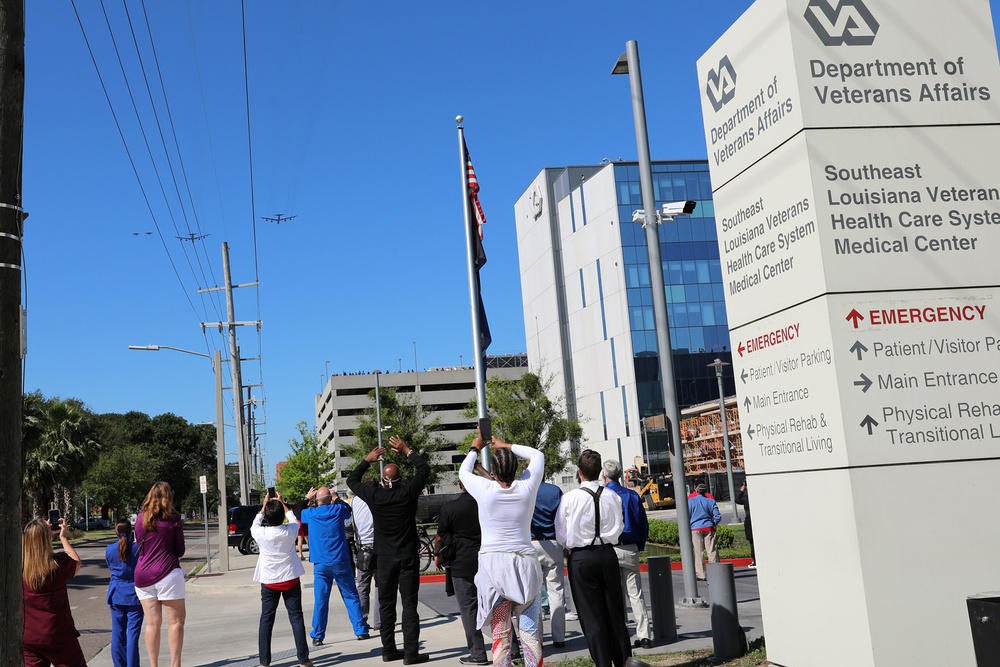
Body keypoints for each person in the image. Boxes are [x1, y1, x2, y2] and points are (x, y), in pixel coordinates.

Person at [459, 432, 545, 667]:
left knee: (501, 634)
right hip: (526, 567)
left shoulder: (484, 489)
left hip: (493, 570)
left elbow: (463, 472)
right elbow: (537, 454)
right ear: (518, 469)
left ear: (493, 473)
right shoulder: (527, 487)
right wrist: (505, 444)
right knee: (529, 632)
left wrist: (475, 447)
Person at [347, 435, 430, 664]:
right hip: (407, 556)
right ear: (401, 480)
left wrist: (367, 460)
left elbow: (352, 481)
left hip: (383, 558)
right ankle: (411, 654)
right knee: (409, 605)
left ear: (383, 481)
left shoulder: (375, 496)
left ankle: (388, 650)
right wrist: (406, 450)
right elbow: (423, 469)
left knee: (386, 605)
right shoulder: (408, 493)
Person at [555, 450, 631, 667]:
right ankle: (624, 660)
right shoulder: (613, 496)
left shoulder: (569, 498)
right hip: (607, 554)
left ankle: (603, 663)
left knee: (591, 617)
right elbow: (620, 526)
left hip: (581, 557)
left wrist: (568, 546)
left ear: (579, 472)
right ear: (599, 472)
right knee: (615, 613)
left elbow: (560, 532)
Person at [301, 485, 368, 645]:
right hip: (340, 561)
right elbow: (348, 509)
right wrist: (335, 497)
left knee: (321, 600)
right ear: (330, 499)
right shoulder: (337, 510)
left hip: (321, 563)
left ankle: (318, 635)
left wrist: (307, 498)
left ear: (316, 501)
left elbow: (298, 511)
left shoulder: (311, 513)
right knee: (351, 595)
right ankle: (360, 630)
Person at [252, 490, 311, 667]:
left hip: (269, 581)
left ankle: (264, 662)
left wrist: (264, 507)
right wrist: (282, 504)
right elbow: (293, 519)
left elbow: (255, 522)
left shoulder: (260, 533)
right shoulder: (290, 531)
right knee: (296, 618)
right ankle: (303, 659)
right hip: (290, 579)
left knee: (266, 620)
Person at [434, 481, 488, 666]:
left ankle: (478, 652)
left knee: (468, 609)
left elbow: (440, 535)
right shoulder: (485, 503)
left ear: (459, 485)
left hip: (461, 561)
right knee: (497, 605)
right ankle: (510, 649)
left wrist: (437, 556)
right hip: (486, 560)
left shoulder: (450, 507)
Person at [135, 481, 186, 667]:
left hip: (142, 576)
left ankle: (154, 665)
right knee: (176, 622)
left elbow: (139, 543)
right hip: (168, 573)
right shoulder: (173, 518)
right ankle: (175, 664)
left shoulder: (141, 518)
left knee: (151, 624)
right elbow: (180, 550)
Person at [22, 517, 86, 667]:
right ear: (47, 539)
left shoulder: (19, 568)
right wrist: (63, 537)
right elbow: (77, 564)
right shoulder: (58, 564)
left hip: (29, 637)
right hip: (58, 635)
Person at [602, 459, 651, 650]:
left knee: (612, 595)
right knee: (636, 594)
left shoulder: (604, 496)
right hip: (629, 547)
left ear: (604, 476)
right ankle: (644, 635)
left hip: (609, 549)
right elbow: (642, 523)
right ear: (621, 475)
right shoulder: (632, 495)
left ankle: (617, 635)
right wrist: (638, 545)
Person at [530, 478, 567, 648]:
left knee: (534, 595)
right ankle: (559, 637)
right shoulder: (555, 491)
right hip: (553, 543)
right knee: (556, 592)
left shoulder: (525, 489)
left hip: (532, 543)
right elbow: (563, 518)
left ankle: (537, 638)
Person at [105, 518, 144, 667]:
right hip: (135, 594)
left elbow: (111, 568)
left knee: (117, 633)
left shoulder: (109, 549)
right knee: (132, 636)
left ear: (116, 532)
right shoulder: (138, 548)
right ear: (131, 531)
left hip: (116, 593)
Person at [351, 482, 381, 633]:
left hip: (362, 546)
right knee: (379, 584)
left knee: (362, 585)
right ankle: (379, 621)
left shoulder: (355, 500)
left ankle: (362, 619)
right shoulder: (377, 499)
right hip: (378, 544)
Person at [688, 483, 722, 580]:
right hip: (709, 528)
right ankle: (714, 573)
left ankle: (701, 575)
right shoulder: (711, 501)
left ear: (696, 490)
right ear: (705, 491)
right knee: (712, 551)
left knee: (699, 552)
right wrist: (713, 523)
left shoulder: (690, 501)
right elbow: (717, 516)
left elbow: (687, 515)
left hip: (695, 528)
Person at [735, 481, 755, 568]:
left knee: (751, 541)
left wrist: (741, 490)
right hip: (756, 520)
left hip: (749, 520)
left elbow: (737, 500)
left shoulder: (746, 498)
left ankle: (755, 560)